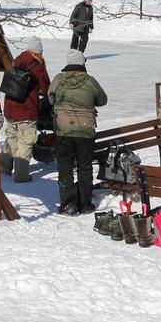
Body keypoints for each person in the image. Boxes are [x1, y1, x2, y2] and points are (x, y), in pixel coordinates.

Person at [49, 48, 107, 216]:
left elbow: (51, 98)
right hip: (85, 130)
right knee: (84, 166)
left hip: (64, 130)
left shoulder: (58, 80)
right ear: (82, 63)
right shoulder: (90, 81)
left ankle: (68, 204)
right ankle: (85, 203)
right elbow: (103, 100)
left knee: (65, 167)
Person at [1, 38, 50, 183]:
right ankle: (21, 175)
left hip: (10, 108)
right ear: (39, 52)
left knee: (11, 138)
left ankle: (4, 168)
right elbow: (47, 89)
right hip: (26, 110)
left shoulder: (15, 61)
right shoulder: (37, 66)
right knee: (26, 141)